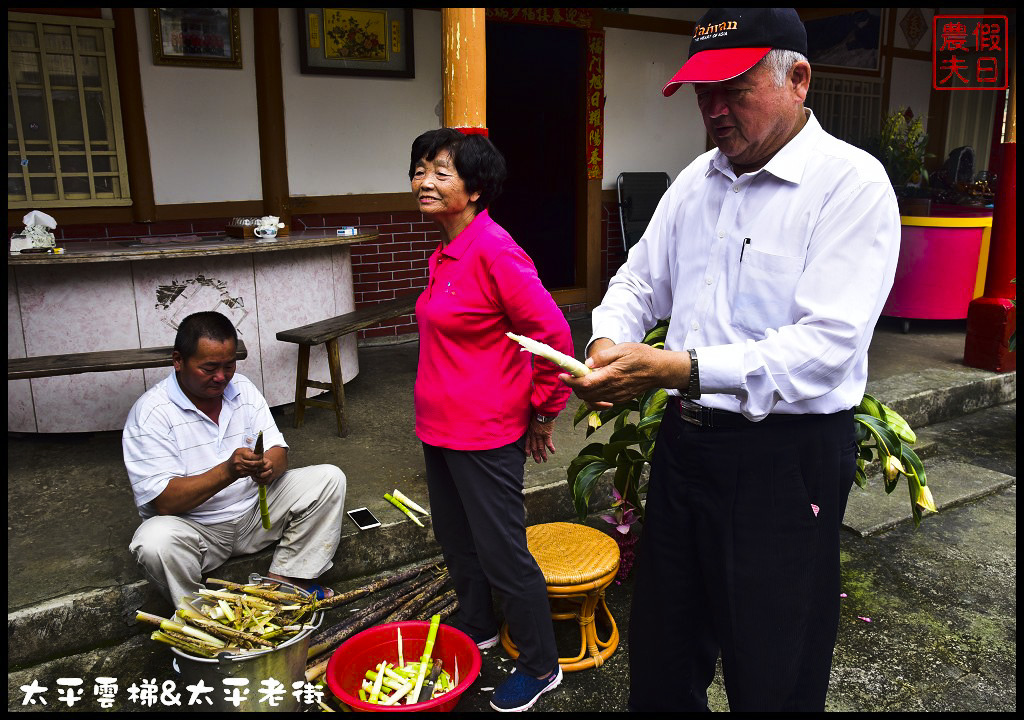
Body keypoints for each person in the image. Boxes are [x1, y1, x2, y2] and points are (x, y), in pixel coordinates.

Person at [563, 8, 901, 712]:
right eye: (701, 93)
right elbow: (636, 280)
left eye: (734, 89)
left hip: (787, 459)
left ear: (798, 79)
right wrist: (603, 347)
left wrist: (679, 369)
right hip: (689, 445)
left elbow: (824, 348)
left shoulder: (850, 186)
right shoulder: (697, 181)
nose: (715, 111)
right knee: (662, 647)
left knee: (773, 664)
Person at [409, 128, 573, 712]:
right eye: (420, 169)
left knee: (503, 552)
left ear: (476, 189)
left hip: (485, 432)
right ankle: (476, 625)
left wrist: (544, 411)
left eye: (442, 172)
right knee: (458, 542)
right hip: (438, 428)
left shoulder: (496, 251)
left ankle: (540, 663)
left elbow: (552, 335)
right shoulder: (443, 251)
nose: (425, 181)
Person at [124, 311, 347, 605]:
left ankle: (286, 580)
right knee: (153, 542)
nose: (221, 377)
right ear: (178, 360)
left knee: (329, 479)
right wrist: (228, 471)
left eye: (229, 365)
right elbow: (164, 501)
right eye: (209, 368)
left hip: (253, 515)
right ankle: (199, 613)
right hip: (196, 531)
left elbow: (279, 452)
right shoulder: (151, 414)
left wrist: (268, 466)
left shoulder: (241, 388)